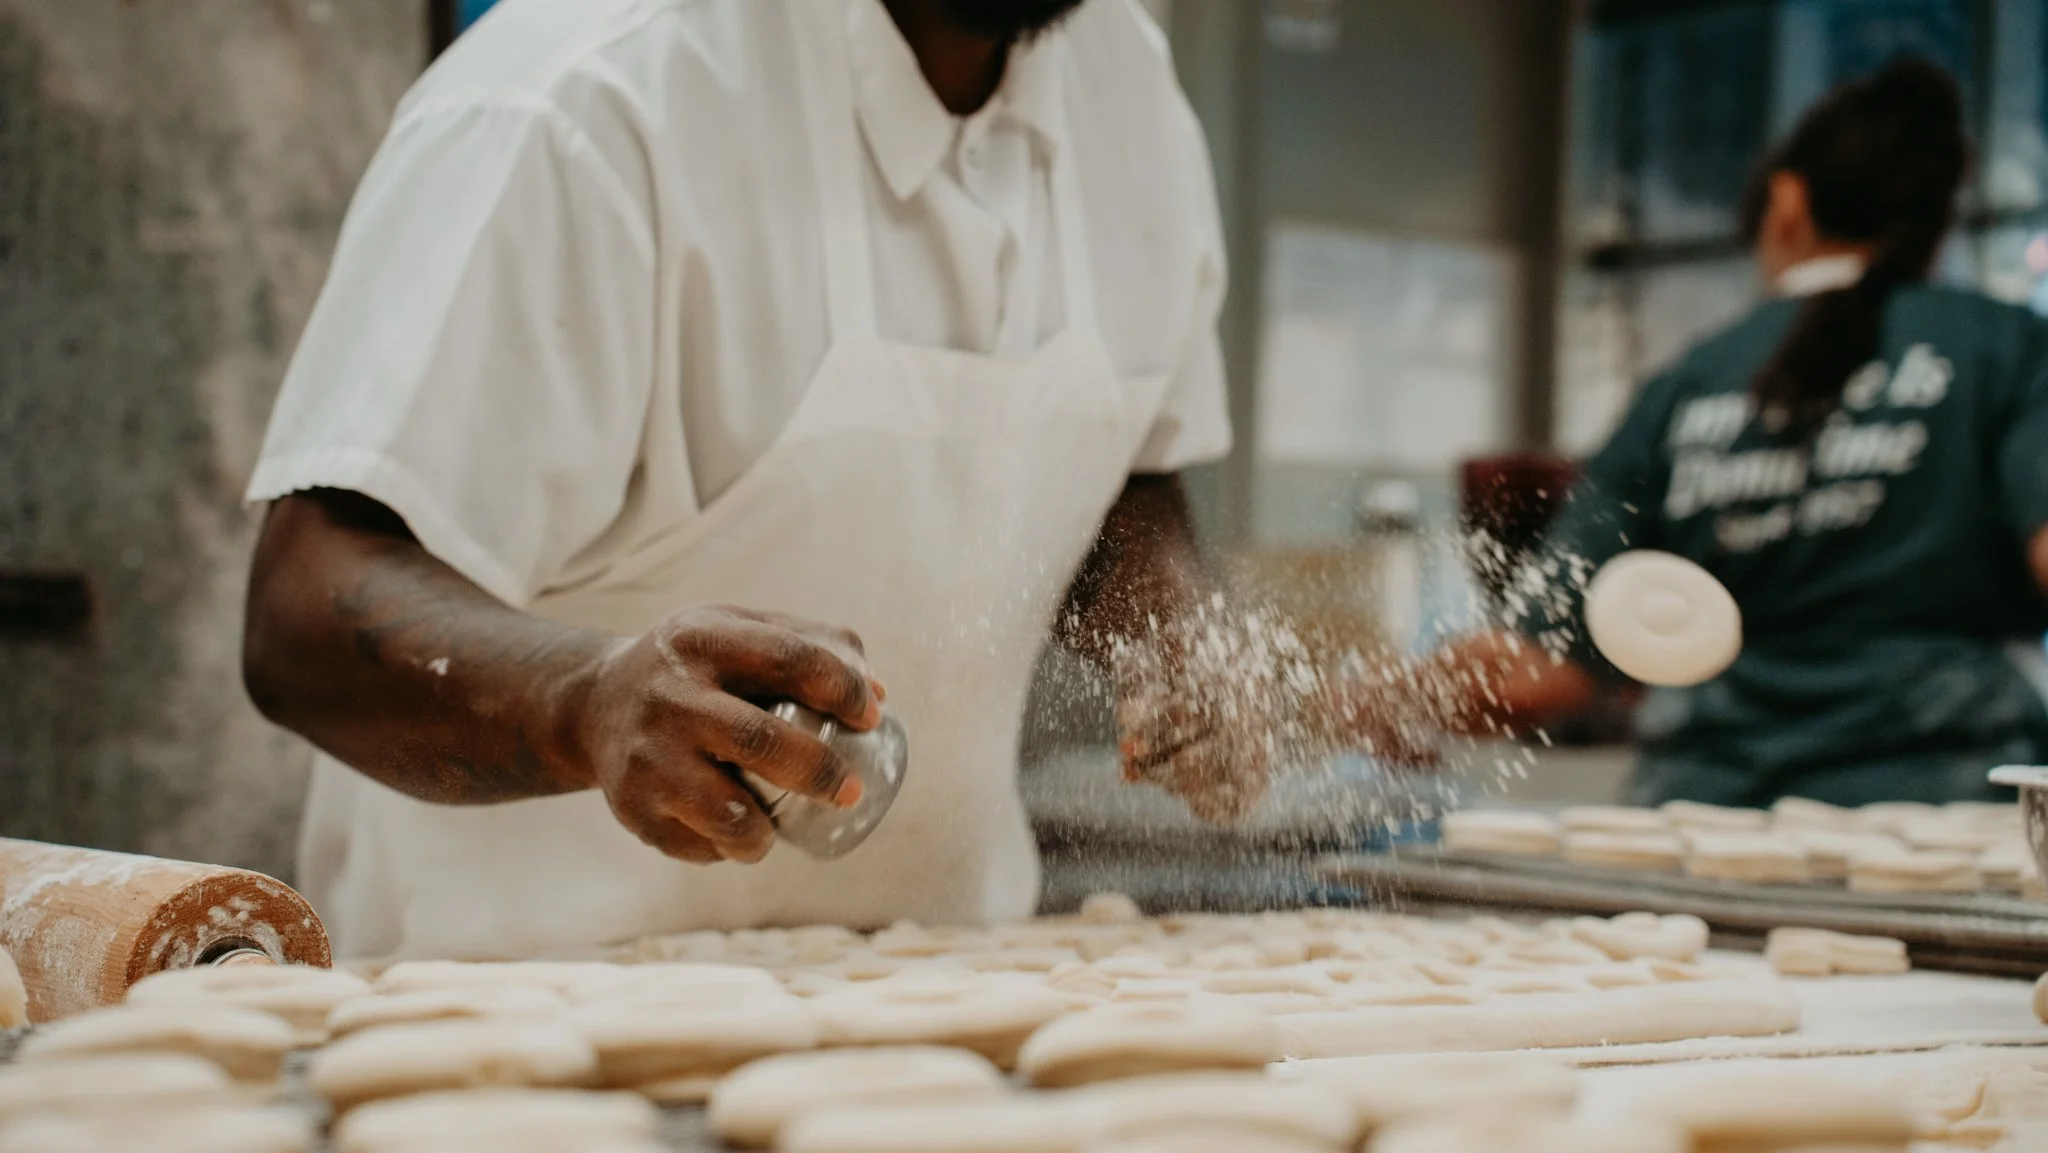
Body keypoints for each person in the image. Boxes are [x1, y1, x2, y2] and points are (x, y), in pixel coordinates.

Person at [241, 0, 1282, 961]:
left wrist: (1175, 636)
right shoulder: (579, 100)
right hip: (518, 1007)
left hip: (934, 986)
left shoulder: (1128, 95)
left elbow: (1127, 470)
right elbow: (304, 608)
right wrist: (585, 702)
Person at [1395, 59, 2048, 809]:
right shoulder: (2010, 350)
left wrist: (1370, 702)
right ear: (1935, 222)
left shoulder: (1685, 385)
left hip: (1701, 815)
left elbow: (1540, 670)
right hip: (1948, 808)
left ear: (1787, 203)